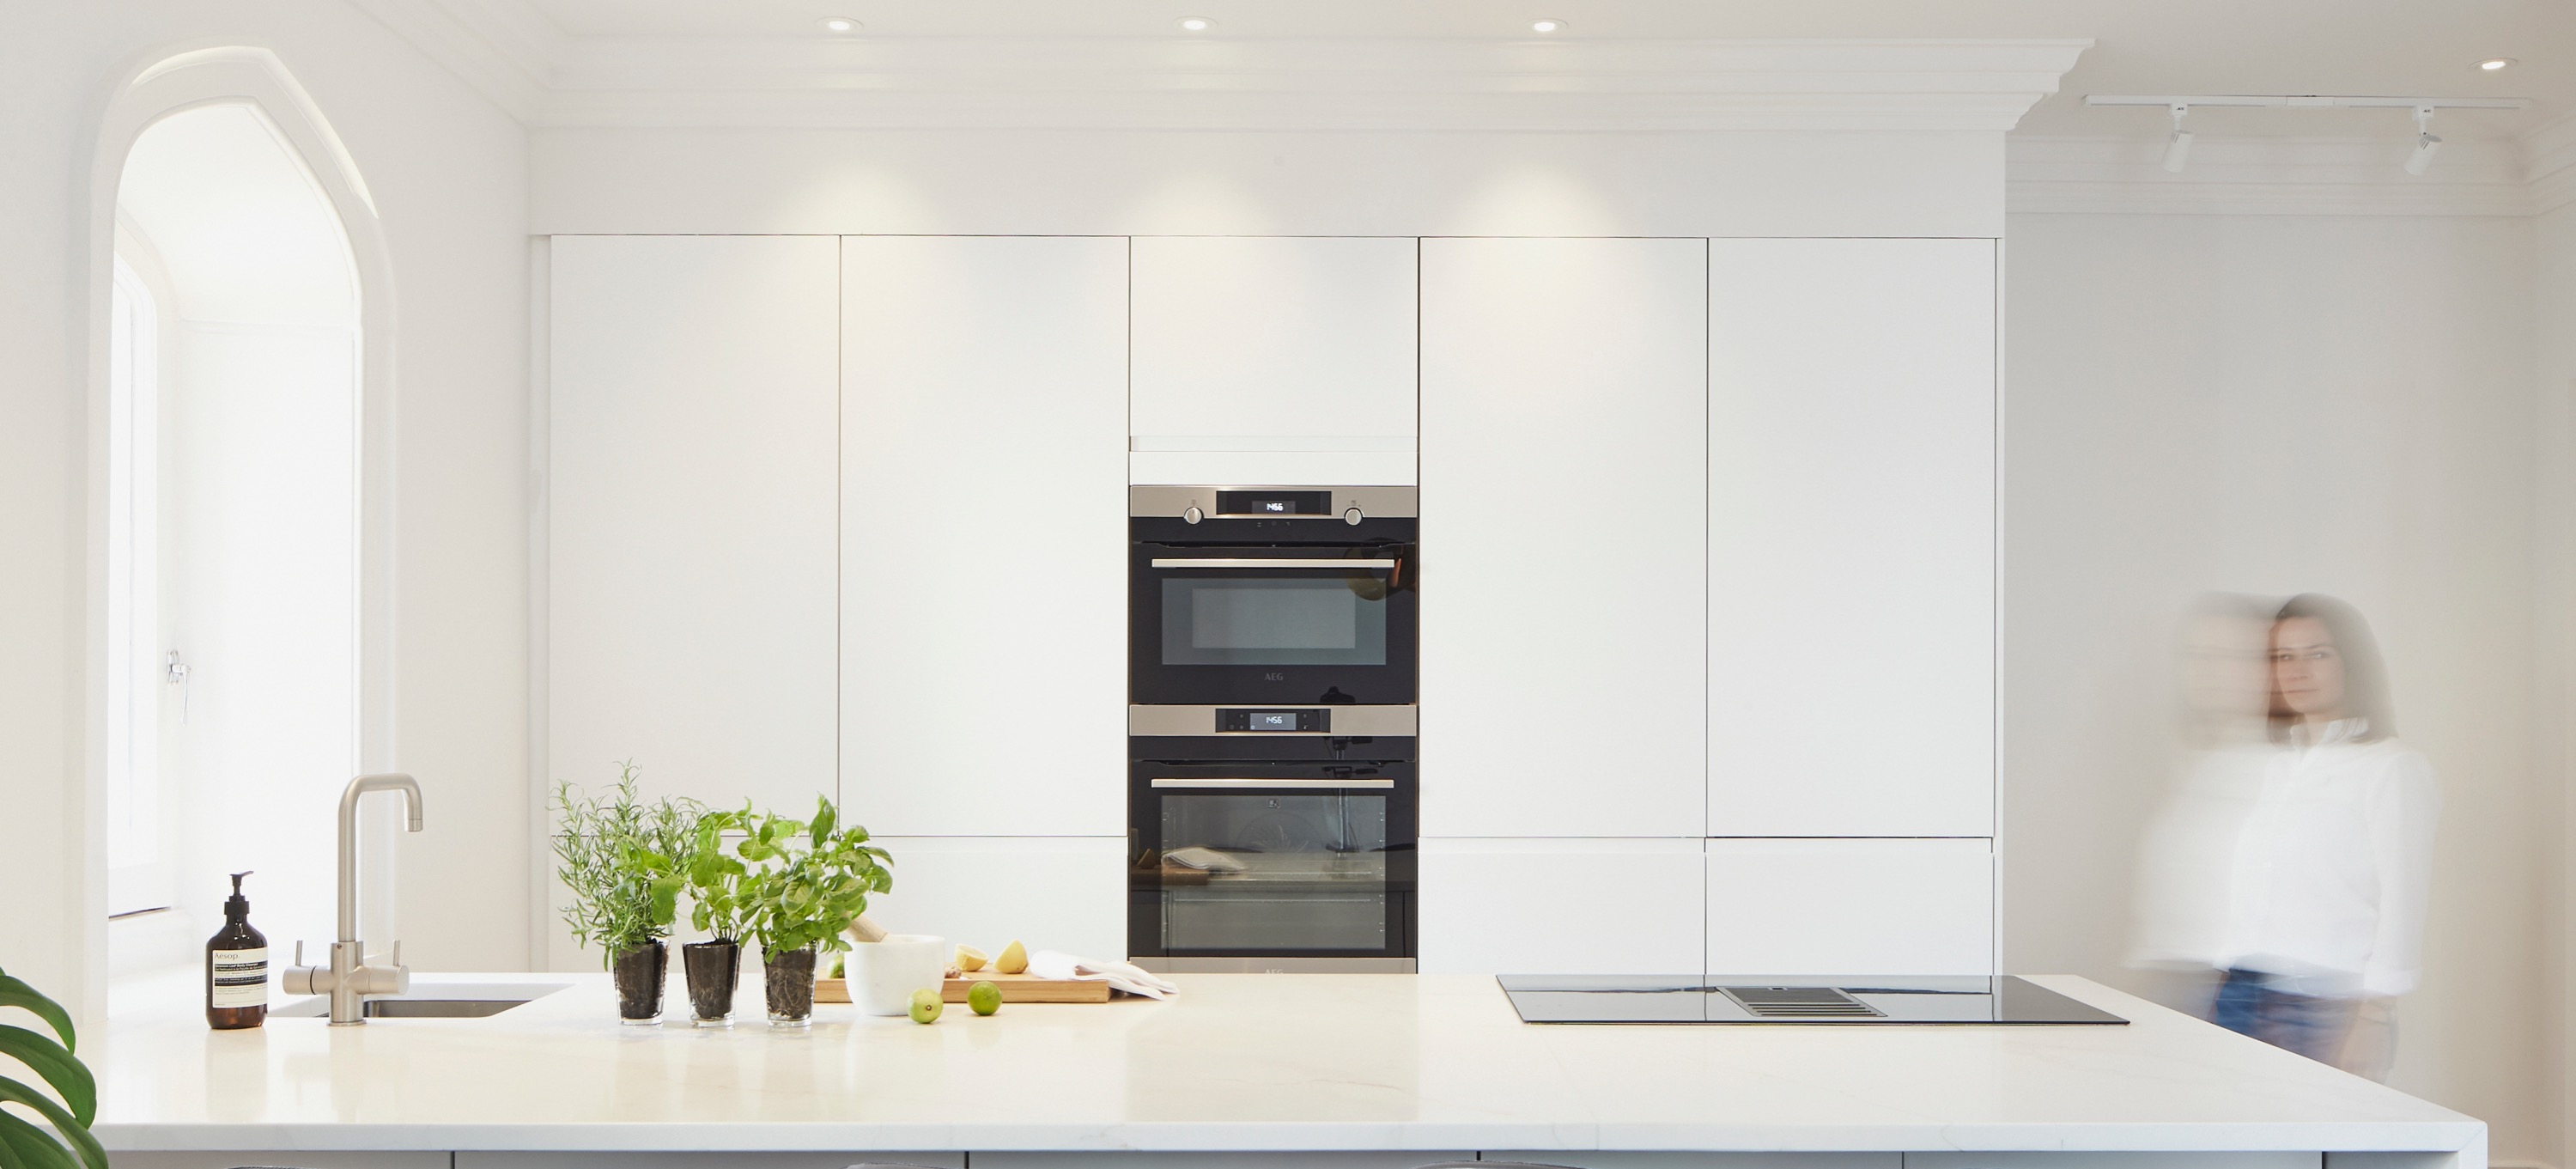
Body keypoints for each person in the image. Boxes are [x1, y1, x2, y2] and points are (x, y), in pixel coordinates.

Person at [2204, 594, 2440, 1081]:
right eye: (2283, 657)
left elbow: (2404, 899)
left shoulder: (2390, 767)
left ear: (2349, 663)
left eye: (2317, 653)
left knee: (2311, 1155)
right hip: (2241, 991)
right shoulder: (2274, 768)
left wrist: (2375, 1016)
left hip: (2324, 1004)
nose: (2297, 670)